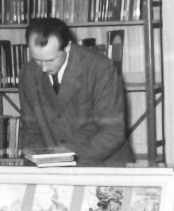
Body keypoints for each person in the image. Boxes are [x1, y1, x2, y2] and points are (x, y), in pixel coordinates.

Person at [19, 17, 134, 167]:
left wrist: (67, 163)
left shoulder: (100, 68)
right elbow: (31, 129)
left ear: (67, 47)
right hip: (53, 170)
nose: (43, 68)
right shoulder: (28, 73)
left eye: (50, 60)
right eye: (37, 59)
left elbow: (112, 132)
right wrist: (40, 164)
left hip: (103, 165)